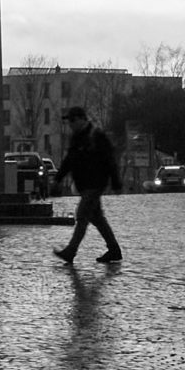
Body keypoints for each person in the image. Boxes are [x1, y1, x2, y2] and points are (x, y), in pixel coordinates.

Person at [52, 106, 123, 264]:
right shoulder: (76, 138)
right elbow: (69, 161)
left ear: (82, 119)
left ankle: (71, 251)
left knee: (82, 215)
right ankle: (114, 250)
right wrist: (58, 178)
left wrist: (116, 182)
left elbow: (110, 160)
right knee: (97, 218)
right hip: (85, 185)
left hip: (95, 184)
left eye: (73, 120)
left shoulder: (97, 136)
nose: (70, 124)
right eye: (69, 121)